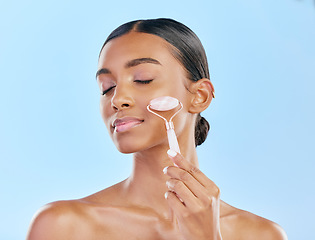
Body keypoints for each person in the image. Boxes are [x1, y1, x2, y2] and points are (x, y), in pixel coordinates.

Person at [27, 18, 287, 240]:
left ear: (200, 96)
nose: (117, 99)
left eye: (142, 79)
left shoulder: (261, 234)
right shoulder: (63, 227)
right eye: (107, 87)